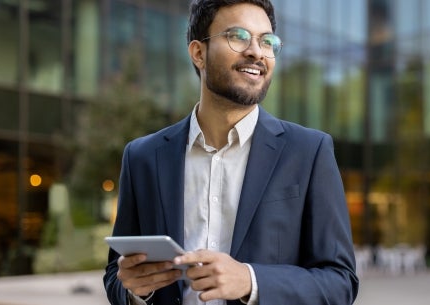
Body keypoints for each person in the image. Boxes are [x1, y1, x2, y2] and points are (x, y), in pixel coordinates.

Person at [103, 0, 359, 304]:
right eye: (238, 36)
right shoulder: (143, 157)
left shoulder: (309, 152)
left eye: (267, 41)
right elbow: (115, 275)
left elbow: (340, 282)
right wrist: (135, 290)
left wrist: (251, 280)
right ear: (199, 53)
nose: (256, 51)